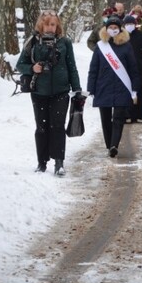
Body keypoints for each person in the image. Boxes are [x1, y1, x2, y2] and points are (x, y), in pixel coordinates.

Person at [16, 10, 83, 176]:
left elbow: (71, 66)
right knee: (41, 127)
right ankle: (42, 162)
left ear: (57, 25)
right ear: (41, 24)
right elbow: (20, 65)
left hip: (61, 91)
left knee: (58, 126)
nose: (50, 27)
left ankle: (59, 162)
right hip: (39, 92)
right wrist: (33, 68)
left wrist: (77, 89)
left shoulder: (64, 43)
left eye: (53, 24)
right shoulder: (32, 42)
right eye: (47, 24)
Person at [87, 14, 141, 158]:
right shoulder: (100, 46)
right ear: (106, 29)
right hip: (103, 86)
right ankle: (108, 144)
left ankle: (114, 145)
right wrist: (90, 88)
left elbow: (133, 69)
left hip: (121, 87)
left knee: (118, 118)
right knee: (105, 118)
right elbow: (93, 68)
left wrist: (135, 88)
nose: (113, 30)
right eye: (110, 27)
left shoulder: (126, 46)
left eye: (115, 27)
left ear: (120, 29)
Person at [124, 14, 142, 122]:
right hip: (125, 68)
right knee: (126, 91)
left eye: (131, 24)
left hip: (139, 67)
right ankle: (127, 114)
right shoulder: (121, 37)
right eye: (127, 24)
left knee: (140, 90)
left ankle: (140, 114)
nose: (129, 26)